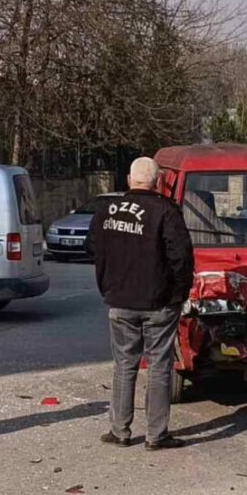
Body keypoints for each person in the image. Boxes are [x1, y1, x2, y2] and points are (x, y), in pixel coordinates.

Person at [87, 157, 194, 450]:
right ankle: (156, 435)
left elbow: (92, 247)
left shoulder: (106, 209)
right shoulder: (166, 211)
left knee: (124, 364)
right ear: (158, 182)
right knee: (160, 365)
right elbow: (181, 258)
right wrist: (180, 293)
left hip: (119, 299)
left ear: (129, 181)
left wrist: (109, 280)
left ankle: (120, 431)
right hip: (159, 302)